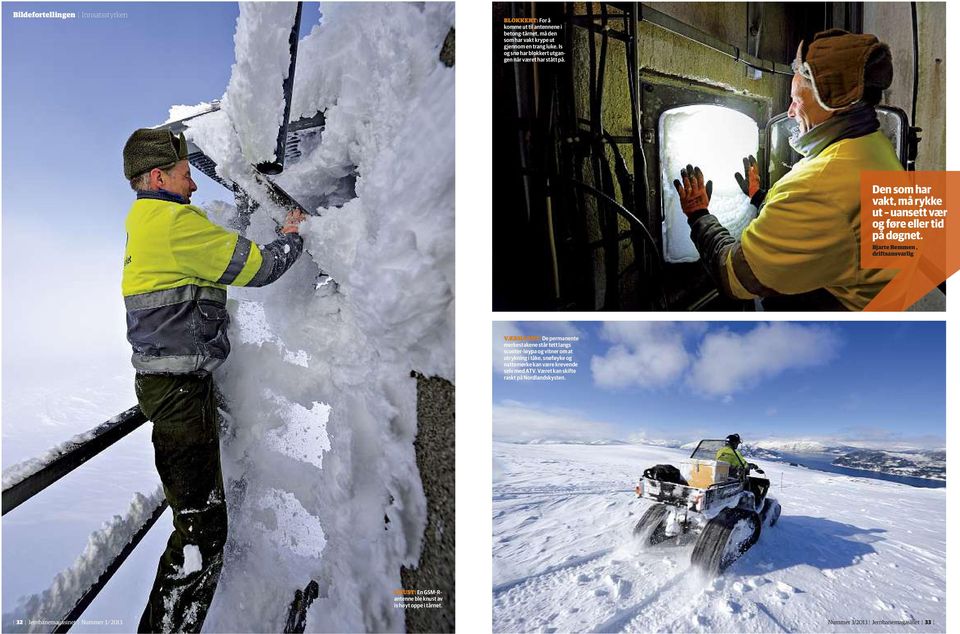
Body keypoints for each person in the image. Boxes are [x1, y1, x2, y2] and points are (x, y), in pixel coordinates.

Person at [121, 128, 306, 632]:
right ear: (158, 176)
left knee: (208, 508)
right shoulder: (173, 224)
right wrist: (294, 233)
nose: (195, 186)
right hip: (179, 393)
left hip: (179, 385)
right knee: (200, 530)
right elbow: (260, 267)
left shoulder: (149, 222)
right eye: (187, 175)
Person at [673, 29, 901, 310]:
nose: (790, 111)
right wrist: (760, 197)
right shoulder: (873, 146)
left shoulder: (818, 186)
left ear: (833, 105)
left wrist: (698, 215)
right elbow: (830, 231)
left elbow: (733, 276)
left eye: (797, 98)